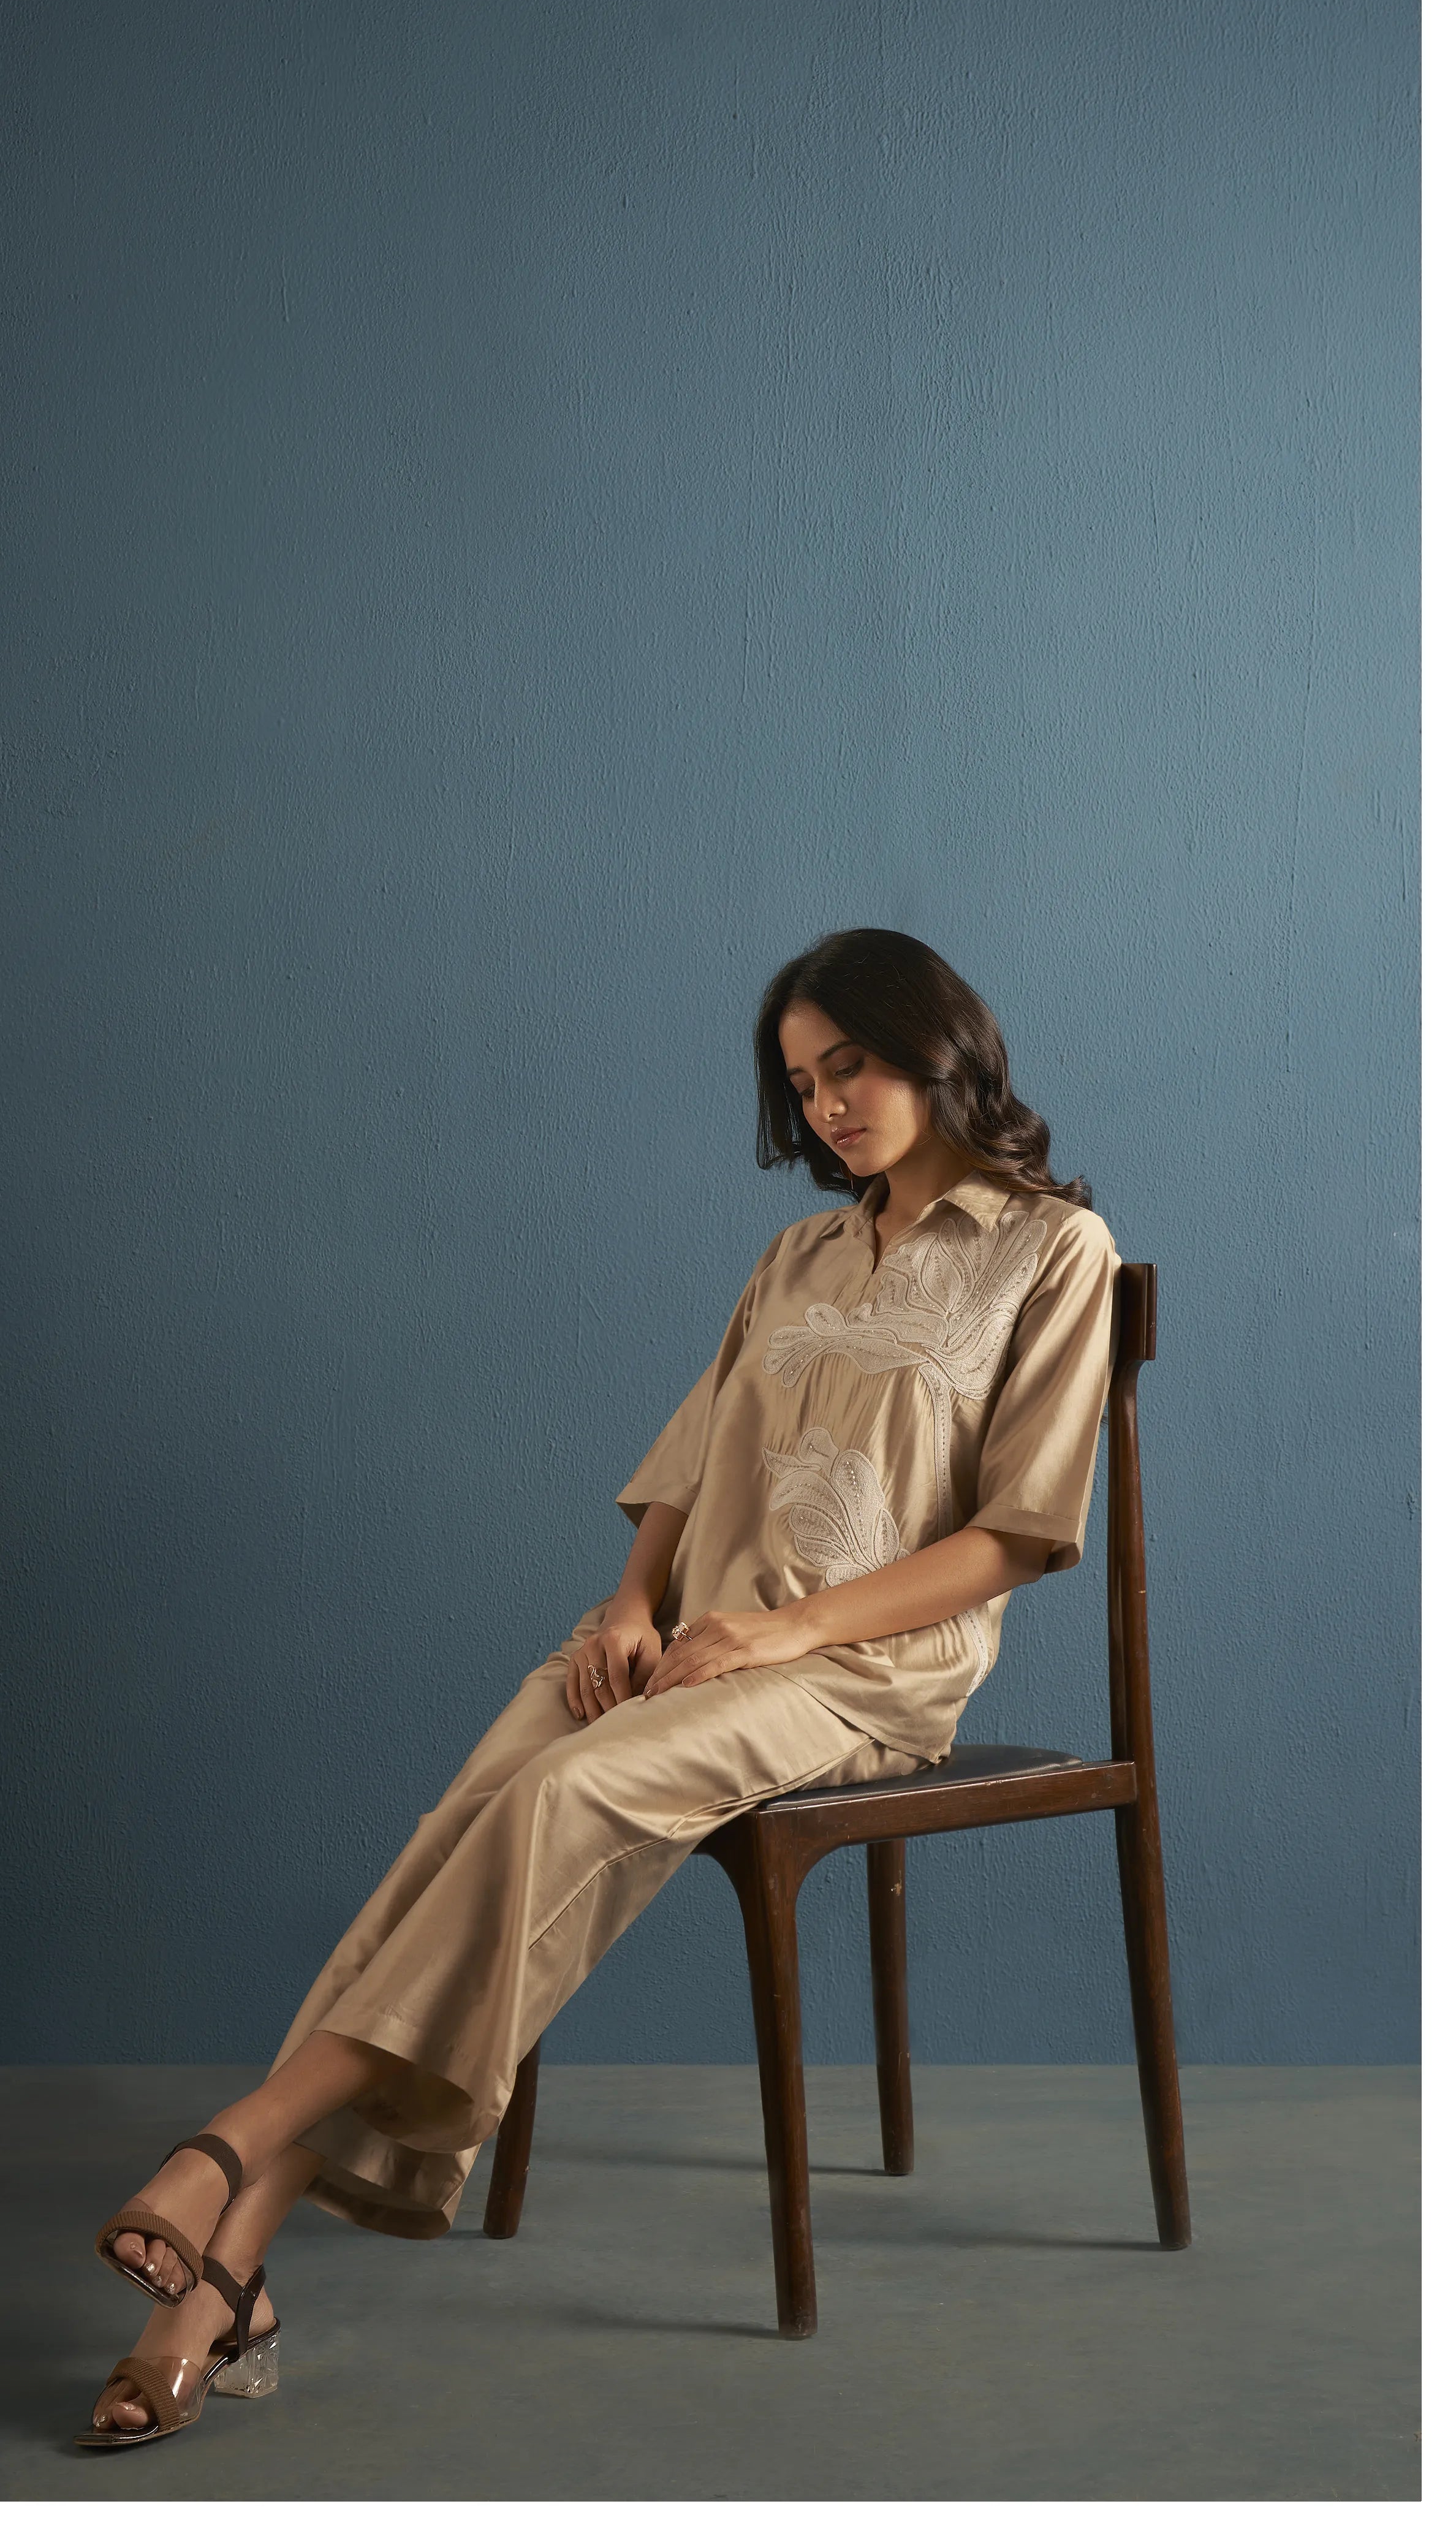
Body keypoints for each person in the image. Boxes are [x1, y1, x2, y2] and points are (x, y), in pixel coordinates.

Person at [75, 925, 1121, 2449]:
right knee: (467, 1818)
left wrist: (782, 1635)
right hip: (687, 1637)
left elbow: (1014, 1536)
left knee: (559, 1798)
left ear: (938, 1047)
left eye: (851, 1067)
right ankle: (231, 2265)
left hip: (860, 1678)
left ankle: (238, 2161)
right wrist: (630, 1602)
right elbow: (687, 1466)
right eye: (802, 1084)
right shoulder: (798, 1256)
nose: (828, 1106)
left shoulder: (1053, 1251)